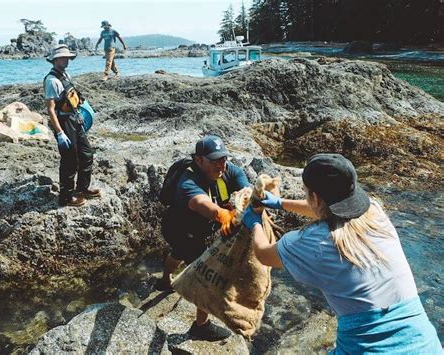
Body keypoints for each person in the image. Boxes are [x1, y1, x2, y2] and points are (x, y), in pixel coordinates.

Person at [242, 153, 442, 354]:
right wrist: (280, 203)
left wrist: (255, 222)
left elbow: (263, 254)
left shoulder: (311, 241)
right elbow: (328, 210)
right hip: (425, 344)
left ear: (315, 197)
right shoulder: (375, 212)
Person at [159, 135, 250, 341]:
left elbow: (246, 191)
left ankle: (165, 281)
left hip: (200, 229)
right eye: (214, 160)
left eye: (223, 159)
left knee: (178, 253)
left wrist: (250, 202)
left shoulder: (229, 171)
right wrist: (221, 214)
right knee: (207, 277)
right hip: (178, 228)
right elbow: (200, 202)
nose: (221, 164)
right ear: (198, 159)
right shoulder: (188, 179)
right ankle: (201, 326)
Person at [44, 44, 101, 207]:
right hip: (64, 122)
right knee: (69, 160)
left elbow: (73, 94)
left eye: (68, 57)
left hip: (75, 119)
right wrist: (60, 132)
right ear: (55, 60)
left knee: (86, 153)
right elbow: (51, 109)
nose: (66, 60)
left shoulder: (65, 75)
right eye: (63, 57)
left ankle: (82, 188)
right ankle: (66, 197)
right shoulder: (51, 81)